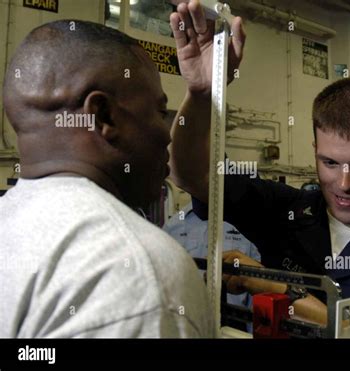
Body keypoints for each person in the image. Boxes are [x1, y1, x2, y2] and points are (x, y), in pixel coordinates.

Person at [168, 1, 350, 338]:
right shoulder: (286, 212)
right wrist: (203, 94)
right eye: (330, 163)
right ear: (316, 153)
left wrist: (274, 284)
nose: (345, 183)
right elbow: (191, 175)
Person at [0, 17, 244, 337]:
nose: (167, 135)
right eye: (159, 112)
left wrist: (203, 94)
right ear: (103, 116)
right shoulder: (137, 273)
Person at [164, 199, 261, 308]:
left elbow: (256, 289)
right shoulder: (172, 227)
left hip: (233, 321)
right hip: (186, 320)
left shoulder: (248, 224)